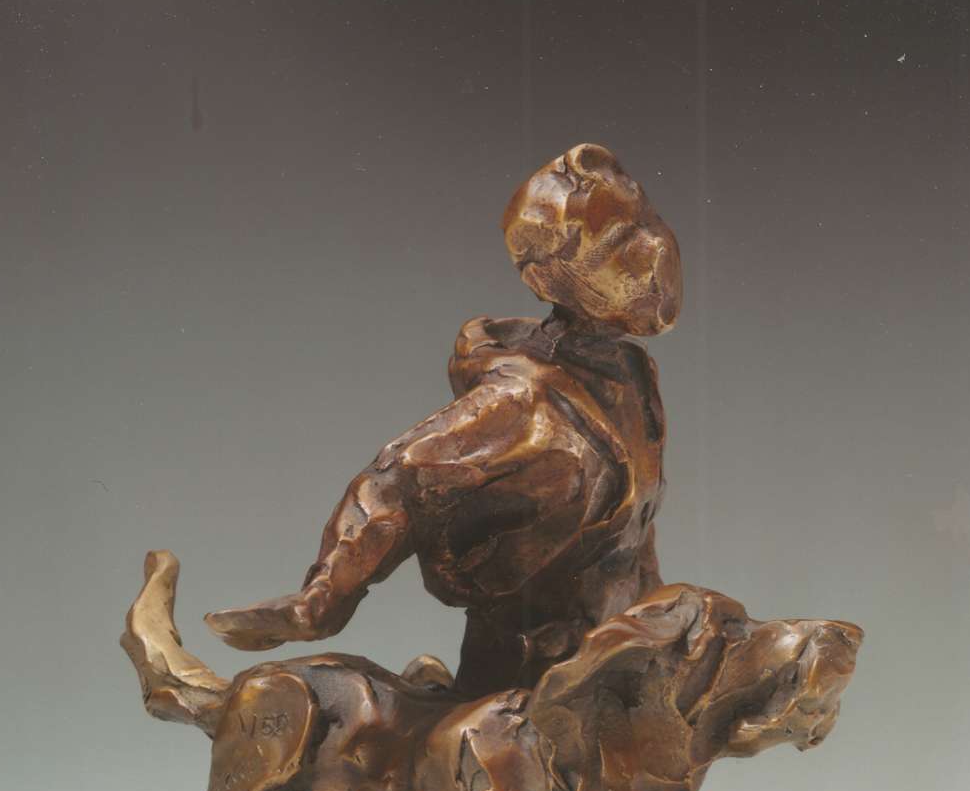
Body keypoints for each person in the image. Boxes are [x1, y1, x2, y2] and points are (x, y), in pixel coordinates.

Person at [205, 143, 682, 697]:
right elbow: (396, 481)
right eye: (618, 244)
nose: (654, 251)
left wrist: (657, 628)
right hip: (525, 689)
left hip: (616, 668)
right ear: (550, 281)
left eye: (647, 219)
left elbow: (636, 537)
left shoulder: (633, 375)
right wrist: (325, 597)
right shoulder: (520, 402)